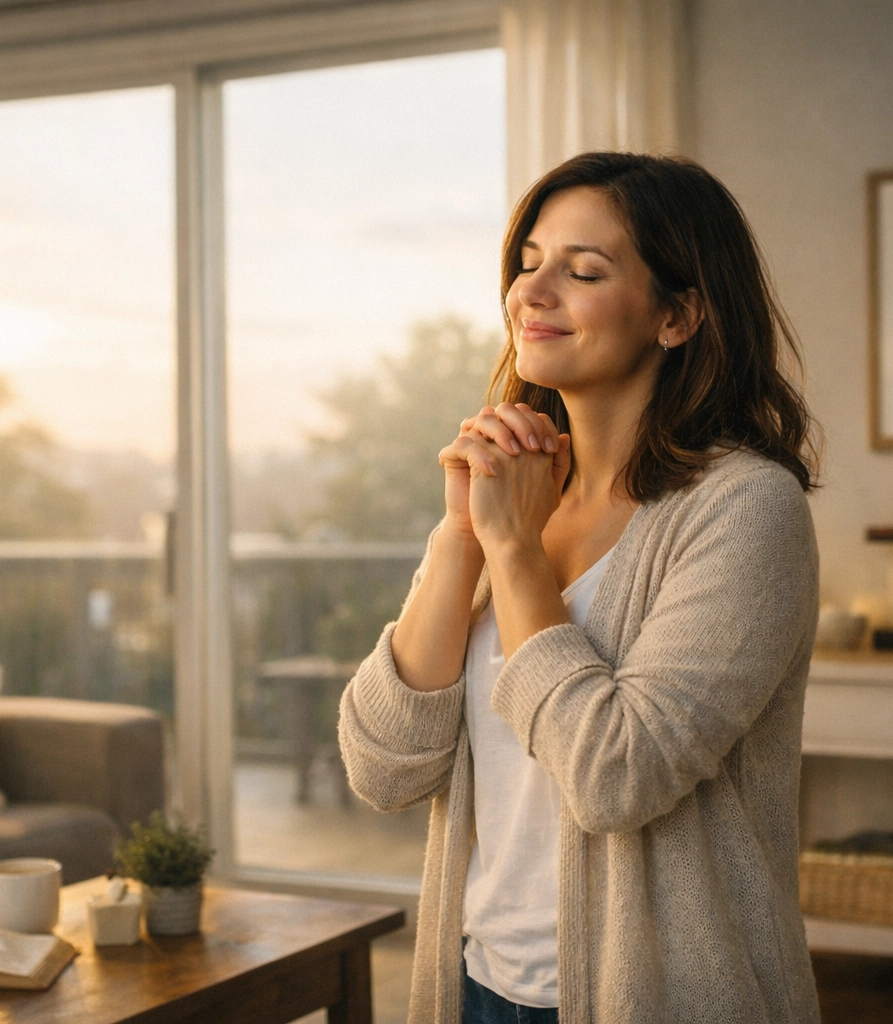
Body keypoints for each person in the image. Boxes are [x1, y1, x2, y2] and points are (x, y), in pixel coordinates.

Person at [338, 151, 822, 1024]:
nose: (533, 291)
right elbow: (382, 766)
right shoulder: (510, 499)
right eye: (527, 265)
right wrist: (461, 536)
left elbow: (616, 777)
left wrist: (514, 550)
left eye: (583, 270)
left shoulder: (747, 508)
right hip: (476, 985)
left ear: (677, 315)